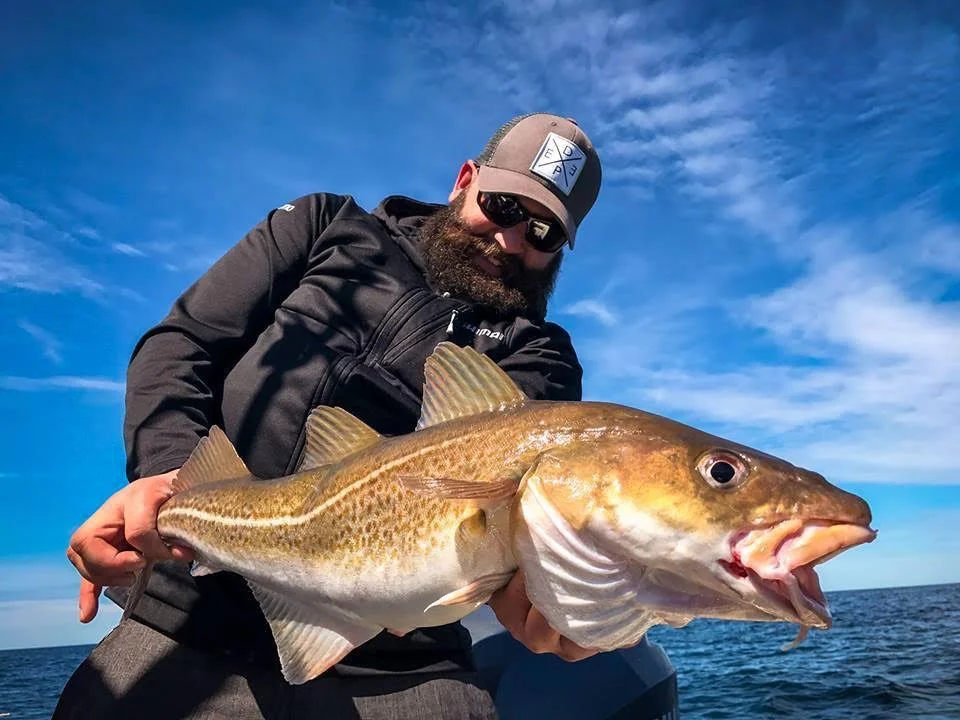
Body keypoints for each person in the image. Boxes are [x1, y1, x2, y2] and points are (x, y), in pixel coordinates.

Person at [57, 112, 603, 719]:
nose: (511, 241)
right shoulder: (324, 226)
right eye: (502, 205)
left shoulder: (540, 354)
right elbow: (184, 344)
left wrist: (548, 599)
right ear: (465, 178)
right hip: (189, 616)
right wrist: (165, 478)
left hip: (403, 668)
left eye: (544, 233)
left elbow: (515, 516)